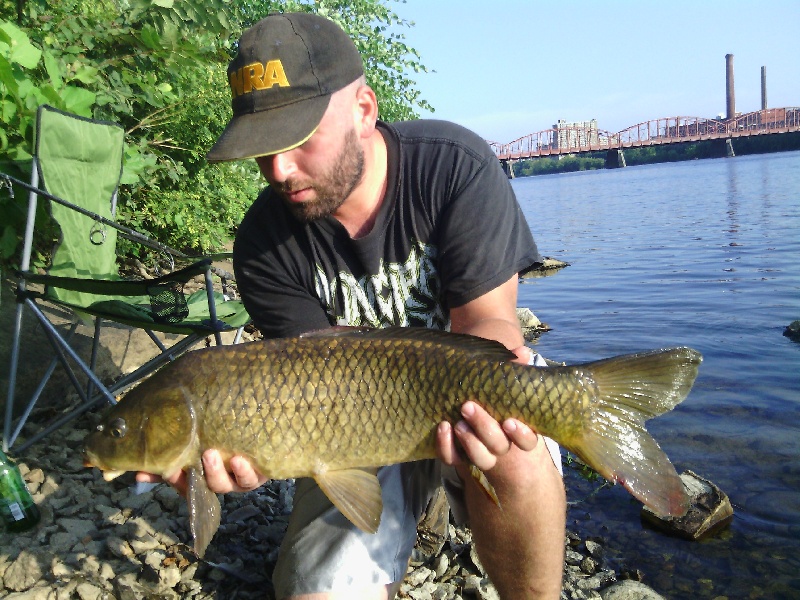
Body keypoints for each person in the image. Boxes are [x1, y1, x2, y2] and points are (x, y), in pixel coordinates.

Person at [139, 12, 566, 600]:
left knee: (512, 448)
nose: (279, 171)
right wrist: (257, 451)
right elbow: (310, 393)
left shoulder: (454, 166)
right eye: (263, 150)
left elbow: (488, 325)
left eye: (298, 140)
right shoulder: (264, 245)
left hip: (458, 386)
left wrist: (499, 382)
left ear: (364, 110)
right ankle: (410, 514)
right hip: (348, 425)